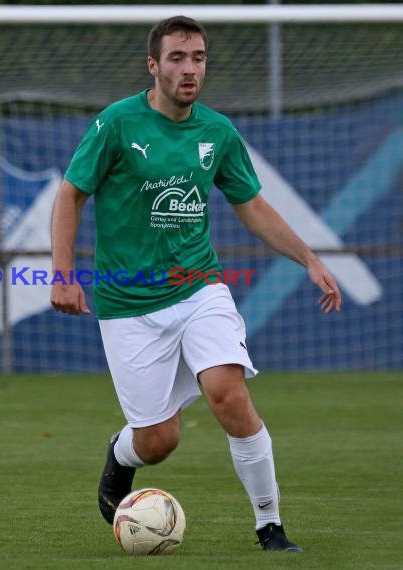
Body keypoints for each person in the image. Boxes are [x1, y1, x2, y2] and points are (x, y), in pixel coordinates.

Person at [50, 15, 341, 552]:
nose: (190, 69)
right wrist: (63, 275)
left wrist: (308, 259)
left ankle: (270, 526)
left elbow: (250, 204)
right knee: (159, 442)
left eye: (199, 58)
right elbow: (70, 195)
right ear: (153, 65)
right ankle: (122, 452)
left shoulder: (218, 132)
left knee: (227, 394)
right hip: (127, 303)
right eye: (178, 58)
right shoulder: (116, 124)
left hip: (199, 286)